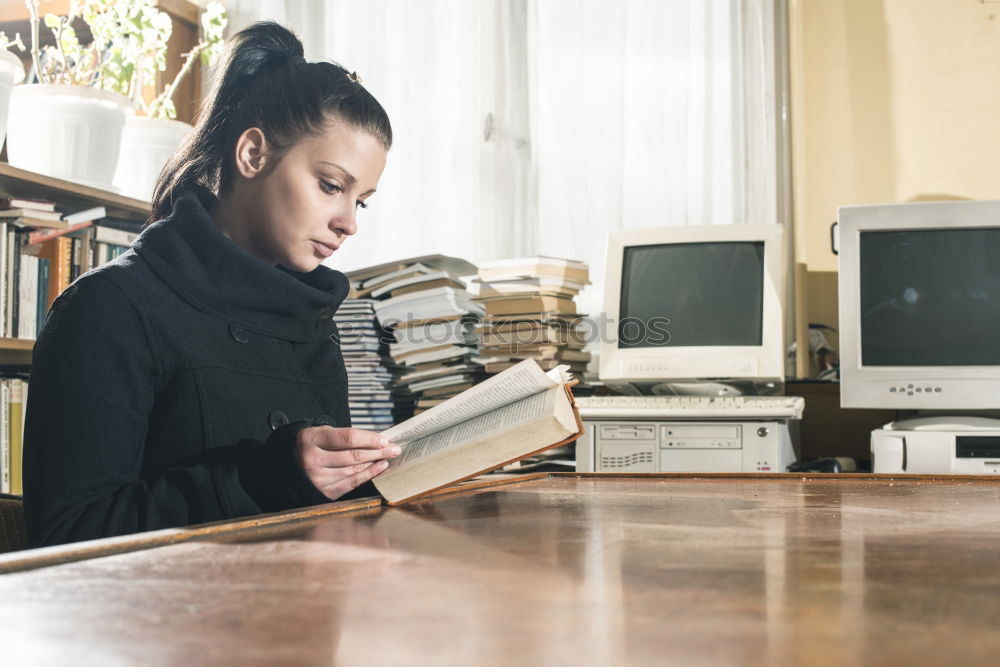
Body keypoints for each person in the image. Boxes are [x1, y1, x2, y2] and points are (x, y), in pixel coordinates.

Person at [22, 22, 398, 547]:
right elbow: (68, 535)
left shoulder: (314, 318)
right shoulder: (106, 308)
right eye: (331, 186)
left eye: (360, 200)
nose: (348, 223)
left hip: (305, 612)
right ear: (252, 155)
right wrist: (265, 475)